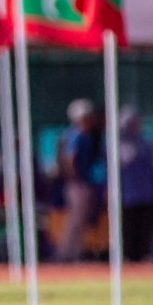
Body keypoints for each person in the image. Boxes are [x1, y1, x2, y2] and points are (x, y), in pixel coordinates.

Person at [57, 99, 104, 263]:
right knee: (75, 220)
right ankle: (66, 255)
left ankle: (75, 253)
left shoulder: (85, 134)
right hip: (78, 185)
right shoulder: (76, 134)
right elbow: (70, 159)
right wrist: (76, 180)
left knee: (81, 220)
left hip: (83, 183)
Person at [117, 108, 153, 263]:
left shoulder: (144, 141)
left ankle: (145, 255)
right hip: (128, 194)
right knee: (128, 226)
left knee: (145, 226)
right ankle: (128, 255)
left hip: (146, 192)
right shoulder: (119, 143)